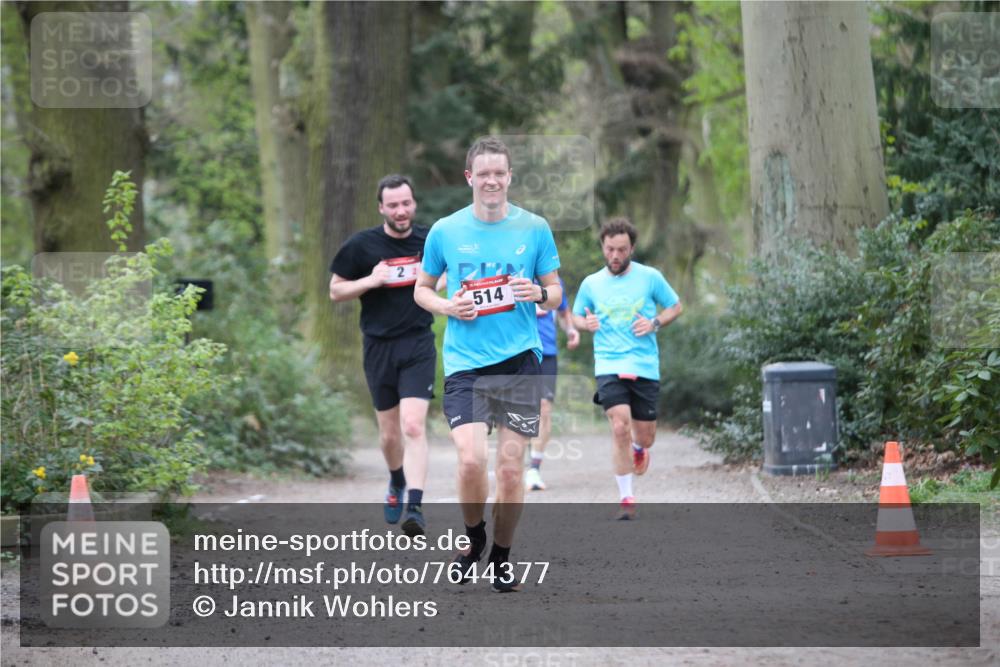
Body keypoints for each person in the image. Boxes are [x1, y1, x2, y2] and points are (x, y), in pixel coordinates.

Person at [414, 137, 562, 592]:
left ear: (510, 177)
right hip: (465, 365)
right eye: (484, 174)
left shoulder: (534, 228)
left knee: (513, 470)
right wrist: (447, 307)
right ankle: (474, 536)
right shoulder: (445, 231)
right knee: (471, 461)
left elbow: (554, 290)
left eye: (500, 173)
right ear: (469, 178)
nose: (492, 181)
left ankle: (501, 556)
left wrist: (538, 295)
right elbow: (421, 289)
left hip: (519, 362)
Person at [329, 174, 435, 537]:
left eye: (406, 203)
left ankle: (416, 507)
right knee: (390, 435)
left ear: (414, 204)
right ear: (381, 208)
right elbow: (336, 291)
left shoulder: (429, 240)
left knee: (412, 426)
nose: (401, 211)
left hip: (418, 343)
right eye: (393, 205)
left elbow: (451, 277)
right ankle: (396, 480)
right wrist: (371, 281)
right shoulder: (362, 246)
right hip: (378, 347)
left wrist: (437, 283)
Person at [572, 217, 682, 520]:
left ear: (631, 248)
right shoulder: (591, 283)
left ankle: (639, 447)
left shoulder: (650, 277)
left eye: (621, 249)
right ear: (603, 248)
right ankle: (626, 498)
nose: (615, 256)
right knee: (619, 425)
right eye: (610, 249)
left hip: (644, 364)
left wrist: (655, 322)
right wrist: (586, 323)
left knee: (645, 436)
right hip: (609, 362)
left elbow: (675, 306)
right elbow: (576, 316)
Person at [525, 278, 579, 491]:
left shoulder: (554, 280)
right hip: (517, 351)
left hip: (546, 351)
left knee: (544, 408)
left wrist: (571, 330)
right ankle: (514, 460)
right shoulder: (511, 271)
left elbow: (564, 313)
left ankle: (534, 468)